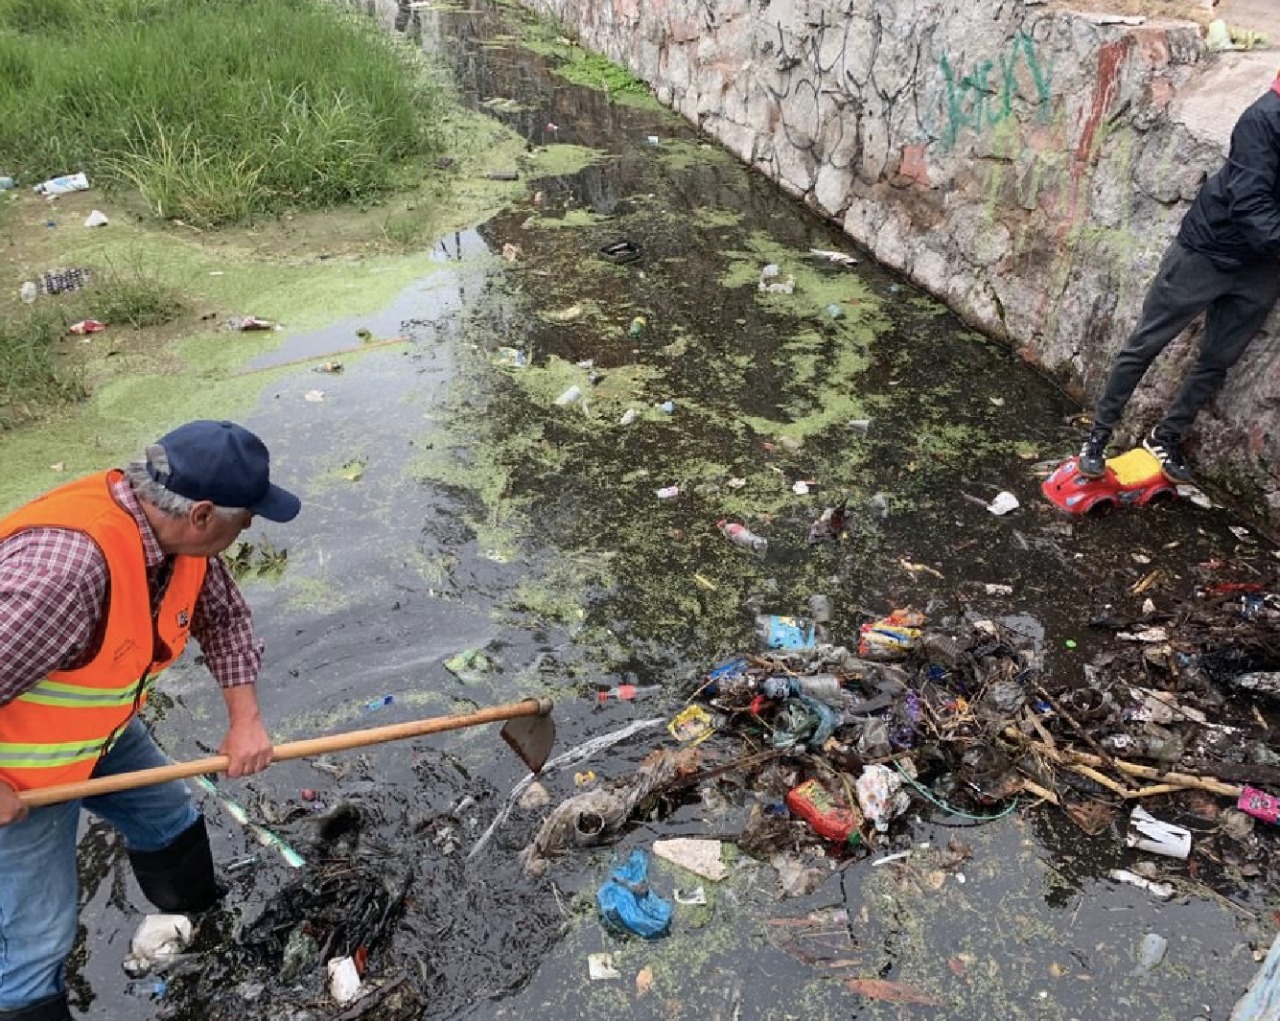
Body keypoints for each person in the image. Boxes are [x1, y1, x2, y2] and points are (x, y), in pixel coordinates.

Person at [0, 420, 301, 1021]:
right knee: (35, 946)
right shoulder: (66, 574)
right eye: (245, 521)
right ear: (203, 513)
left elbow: (227, 622)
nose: (245, 533)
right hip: (22, 773)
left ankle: (200, 928)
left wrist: (246, 721)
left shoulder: (176, 540)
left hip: (101, 734)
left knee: (168, 816)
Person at [1078, 72, 1280, 483]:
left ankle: (1165, 438)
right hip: (1207, 251)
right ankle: (1098, 435)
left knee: (1217, 361)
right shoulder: (1263, 118)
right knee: (1146, 342)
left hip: (1261, 266)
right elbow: (1249, 202)